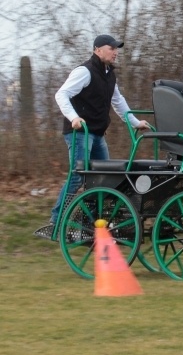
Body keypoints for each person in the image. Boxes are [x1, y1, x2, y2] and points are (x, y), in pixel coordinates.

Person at [42, 34, 150, 232]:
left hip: (98, 134)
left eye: (117, 49)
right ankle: (55, 221)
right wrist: (74, 118)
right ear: (97, 50)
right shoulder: (85, 71)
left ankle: (87, 223)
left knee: (103, 179)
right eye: (112, 48)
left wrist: (134, 122)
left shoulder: (109, 74)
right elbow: (61, 94)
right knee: (78, 177)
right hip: (80, 134)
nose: (115, 52)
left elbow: (117, 101)